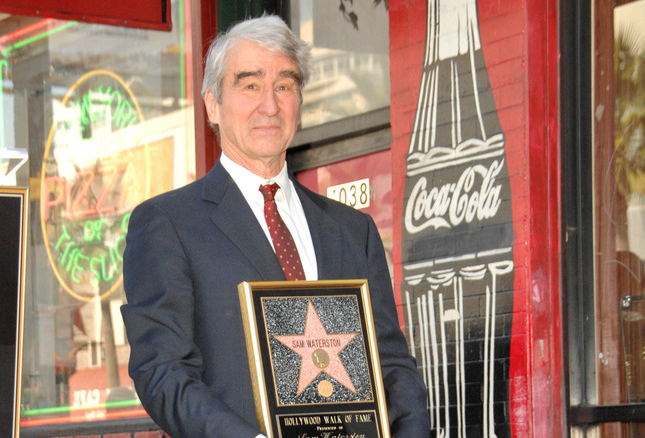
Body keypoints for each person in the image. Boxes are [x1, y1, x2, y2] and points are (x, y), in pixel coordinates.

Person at [121, 15, 429, 438]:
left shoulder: (352, 230)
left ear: (299, 101)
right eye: (250, 85)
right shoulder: (168, 225)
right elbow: (163, 375)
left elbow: (391, 365)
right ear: (213, 103)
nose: (270, 104)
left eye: (284, 86)